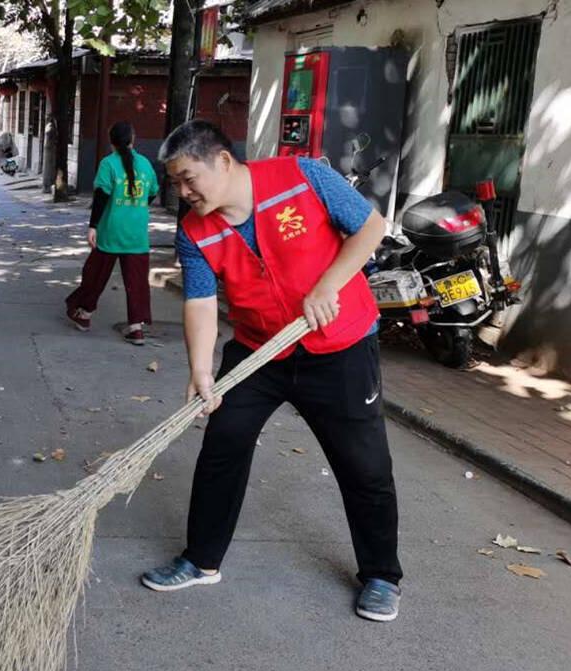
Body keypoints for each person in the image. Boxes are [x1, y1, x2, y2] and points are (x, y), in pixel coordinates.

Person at [140, 120, 403, 622]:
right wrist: (201, 371)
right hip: (260, 351)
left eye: (189, 177)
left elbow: (370, 227)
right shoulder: (195, 228)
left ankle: (381, 576)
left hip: (339, 345)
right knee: (223, 444)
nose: (184, 191)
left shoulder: (301, 178)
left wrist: (329, 285)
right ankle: (201, 560)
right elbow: (198, 300)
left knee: (364, 466)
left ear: (223, 160)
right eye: (175, 182)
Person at [65, 122, 160, 345]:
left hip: (110, 231)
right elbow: (152, 193)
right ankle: (136, 328)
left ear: (112, 142)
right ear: (132, 140)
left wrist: (93, 226)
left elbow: (101, 197)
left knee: (95, 274)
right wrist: (135, 208)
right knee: (137, 282)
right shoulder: (145, 164)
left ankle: (84, 314)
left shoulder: (108, 164)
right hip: (137, 234)